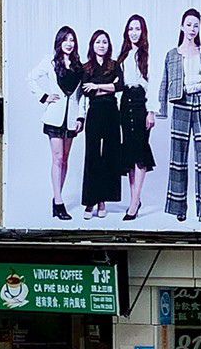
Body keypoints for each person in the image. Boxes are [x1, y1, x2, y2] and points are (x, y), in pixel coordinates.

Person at [156, 8, 201, 225]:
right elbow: (164, 82)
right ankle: (179, 208)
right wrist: (162, 109)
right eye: (189, 25)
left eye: (196, 25)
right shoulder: (172, 54)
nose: (192, 29)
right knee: (178, 158)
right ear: (182, 27)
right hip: (181, 102)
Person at [30, 24, 87, 222]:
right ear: (59, 41)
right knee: (57, 158)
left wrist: (81, 116)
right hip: (54, 116)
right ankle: (59, 201)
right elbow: (31, 78)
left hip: (71, 118)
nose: (69, 44)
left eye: (72, 40)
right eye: (65, 39)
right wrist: (44, 96)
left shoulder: (80, 66)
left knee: (65, 159)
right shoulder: (50, 62)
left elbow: (81, 96)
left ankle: (57, 198)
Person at [78, 29, 125, 219]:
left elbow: (120, 86)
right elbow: (85, 91)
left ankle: (103, 200)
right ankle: (90, 202)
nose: (101, 45)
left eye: (104, 42)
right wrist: (108, 87)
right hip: (95, 113)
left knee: (109, 156)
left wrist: (97, 86)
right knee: (92, 156)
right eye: (98, 42)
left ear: (109, 45)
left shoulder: (114, 65)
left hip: (113, 113)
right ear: (92, 45)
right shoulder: (86, 67)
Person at [116, 13, 156, 221]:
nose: (134, 32)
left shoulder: (147, 54)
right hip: (125, 103)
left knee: (140, 151)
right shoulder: (122, 55)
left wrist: (151, 111)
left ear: (143, 31)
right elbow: (117, 83)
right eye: (131, 29)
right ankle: (135, 199)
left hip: (141, 102)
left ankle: (134, 202)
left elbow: (153, 83)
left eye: (137, 29)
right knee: (130, 153)